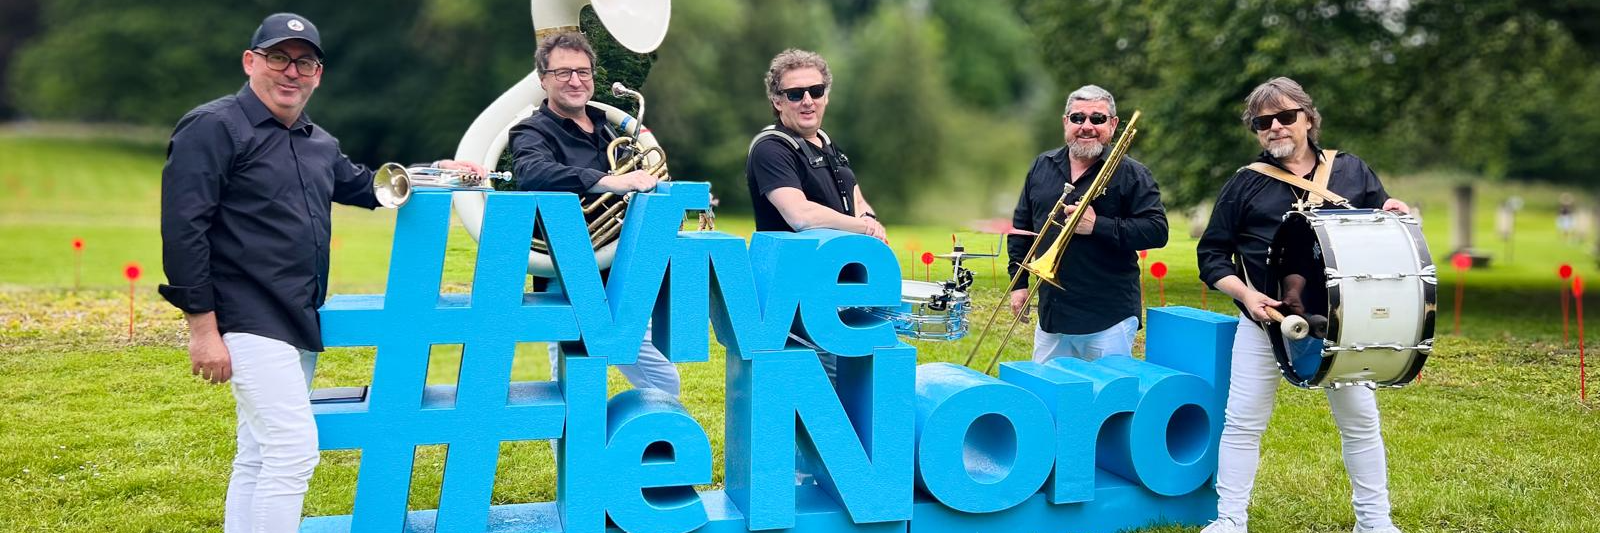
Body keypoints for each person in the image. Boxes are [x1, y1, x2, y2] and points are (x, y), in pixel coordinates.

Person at [158, 13, 483, 532]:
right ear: (251, 62)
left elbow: (368, 187)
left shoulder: (317, 142)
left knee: (260, 453)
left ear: (318, 74)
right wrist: (202, 328)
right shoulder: (213, 127)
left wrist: (434, 172)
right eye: (279, 58)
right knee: (292, 451)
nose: (292, 72)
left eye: (304, 62)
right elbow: (183, 230)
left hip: (298, 316)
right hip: (245, 317)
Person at [1195, 77, 1410, 533]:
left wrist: (1392, 210)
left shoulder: (1352, 171)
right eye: (1263, 122)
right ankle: (1230, 520)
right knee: (1243, 422)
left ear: (1309, 119)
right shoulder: (1244, 186)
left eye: (1286, 116)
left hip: (1342, 324)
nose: (1275, 127)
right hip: (1265, 322)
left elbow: (1381, 225)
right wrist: (1246, 295)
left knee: (1359, 422)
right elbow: (1211, 255)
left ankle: (1374, 523)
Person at [506, 31, 680, 396]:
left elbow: (643, 173)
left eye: (583, 72)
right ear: (543, 79)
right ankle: (575, 452)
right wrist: (608, 181)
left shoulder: (607, 125)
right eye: (563, 73)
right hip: (568, 273)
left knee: (663, 379)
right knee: (573, 392)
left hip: (619, 267)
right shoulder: (530, 130)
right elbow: (533, 173)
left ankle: (658, 447)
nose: (575, 81)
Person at [745, 48, 887, 384]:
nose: (807, 100)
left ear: (826, 95)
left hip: (839, 290)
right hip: (801, 299)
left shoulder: (824, 142)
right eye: (795, 94)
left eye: (816, 91)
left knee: (858, 387)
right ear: (777, 101)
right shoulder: (772, 147)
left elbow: (853, 195)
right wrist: (865, 227)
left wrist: (868, 216)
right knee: (828, 392)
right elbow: (800, 215)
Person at [1006, 85, 1167, 363]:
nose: (1087, 126)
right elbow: (1021, 228)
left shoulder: (1133, 174)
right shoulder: (1041, 166)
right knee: (1047, 396)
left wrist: (1098, 225)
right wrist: (1019, 283)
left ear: (1113, 124)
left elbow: (1157, 230)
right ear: (1065, 122)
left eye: (1098, 118)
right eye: (1078, 118)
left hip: (1107, 318)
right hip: (1053, 315)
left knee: (1106, 403)